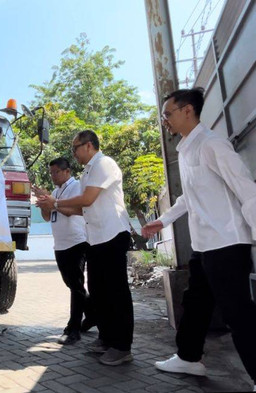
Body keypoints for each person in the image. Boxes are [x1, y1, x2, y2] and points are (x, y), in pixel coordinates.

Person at [142, 88, 256, 390]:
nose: (164, 120)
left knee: (239, 314)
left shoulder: (212, 145)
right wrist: (162, 220)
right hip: (205, 246)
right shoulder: (188, 148)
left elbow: (246, 188)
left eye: (168, 113)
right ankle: (189, 357)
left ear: (188, 110)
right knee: (195, 303)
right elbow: (188, 198)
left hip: (228, 244)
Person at [39, 130, 133, 366]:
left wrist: (56, 202)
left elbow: (88, 199)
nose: (74, 153)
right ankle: (107, 339)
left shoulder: (104, 164)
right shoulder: (88, 172)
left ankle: (122, 347)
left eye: (76, 148)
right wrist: (52, 204)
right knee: (99, 293)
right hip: (96, 239)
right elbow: (82, 209)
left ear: (89, 146)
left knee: (116, 293)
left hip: (112, 235)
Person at [34, 157, 93, 345]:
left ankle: (73, 329)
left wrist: (53, 202)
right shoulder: (55, 191)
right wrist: (44, 203)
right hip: (60, 244)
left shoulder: (76, 187)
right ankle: (93, 315)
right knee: (73, 284)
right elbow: (47, 216)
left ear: (67, 171)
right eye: (51, 173)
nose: (52, 176)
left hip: (76, 242)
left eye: (56, 172)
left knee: (76, 286)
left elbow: (72, 210)